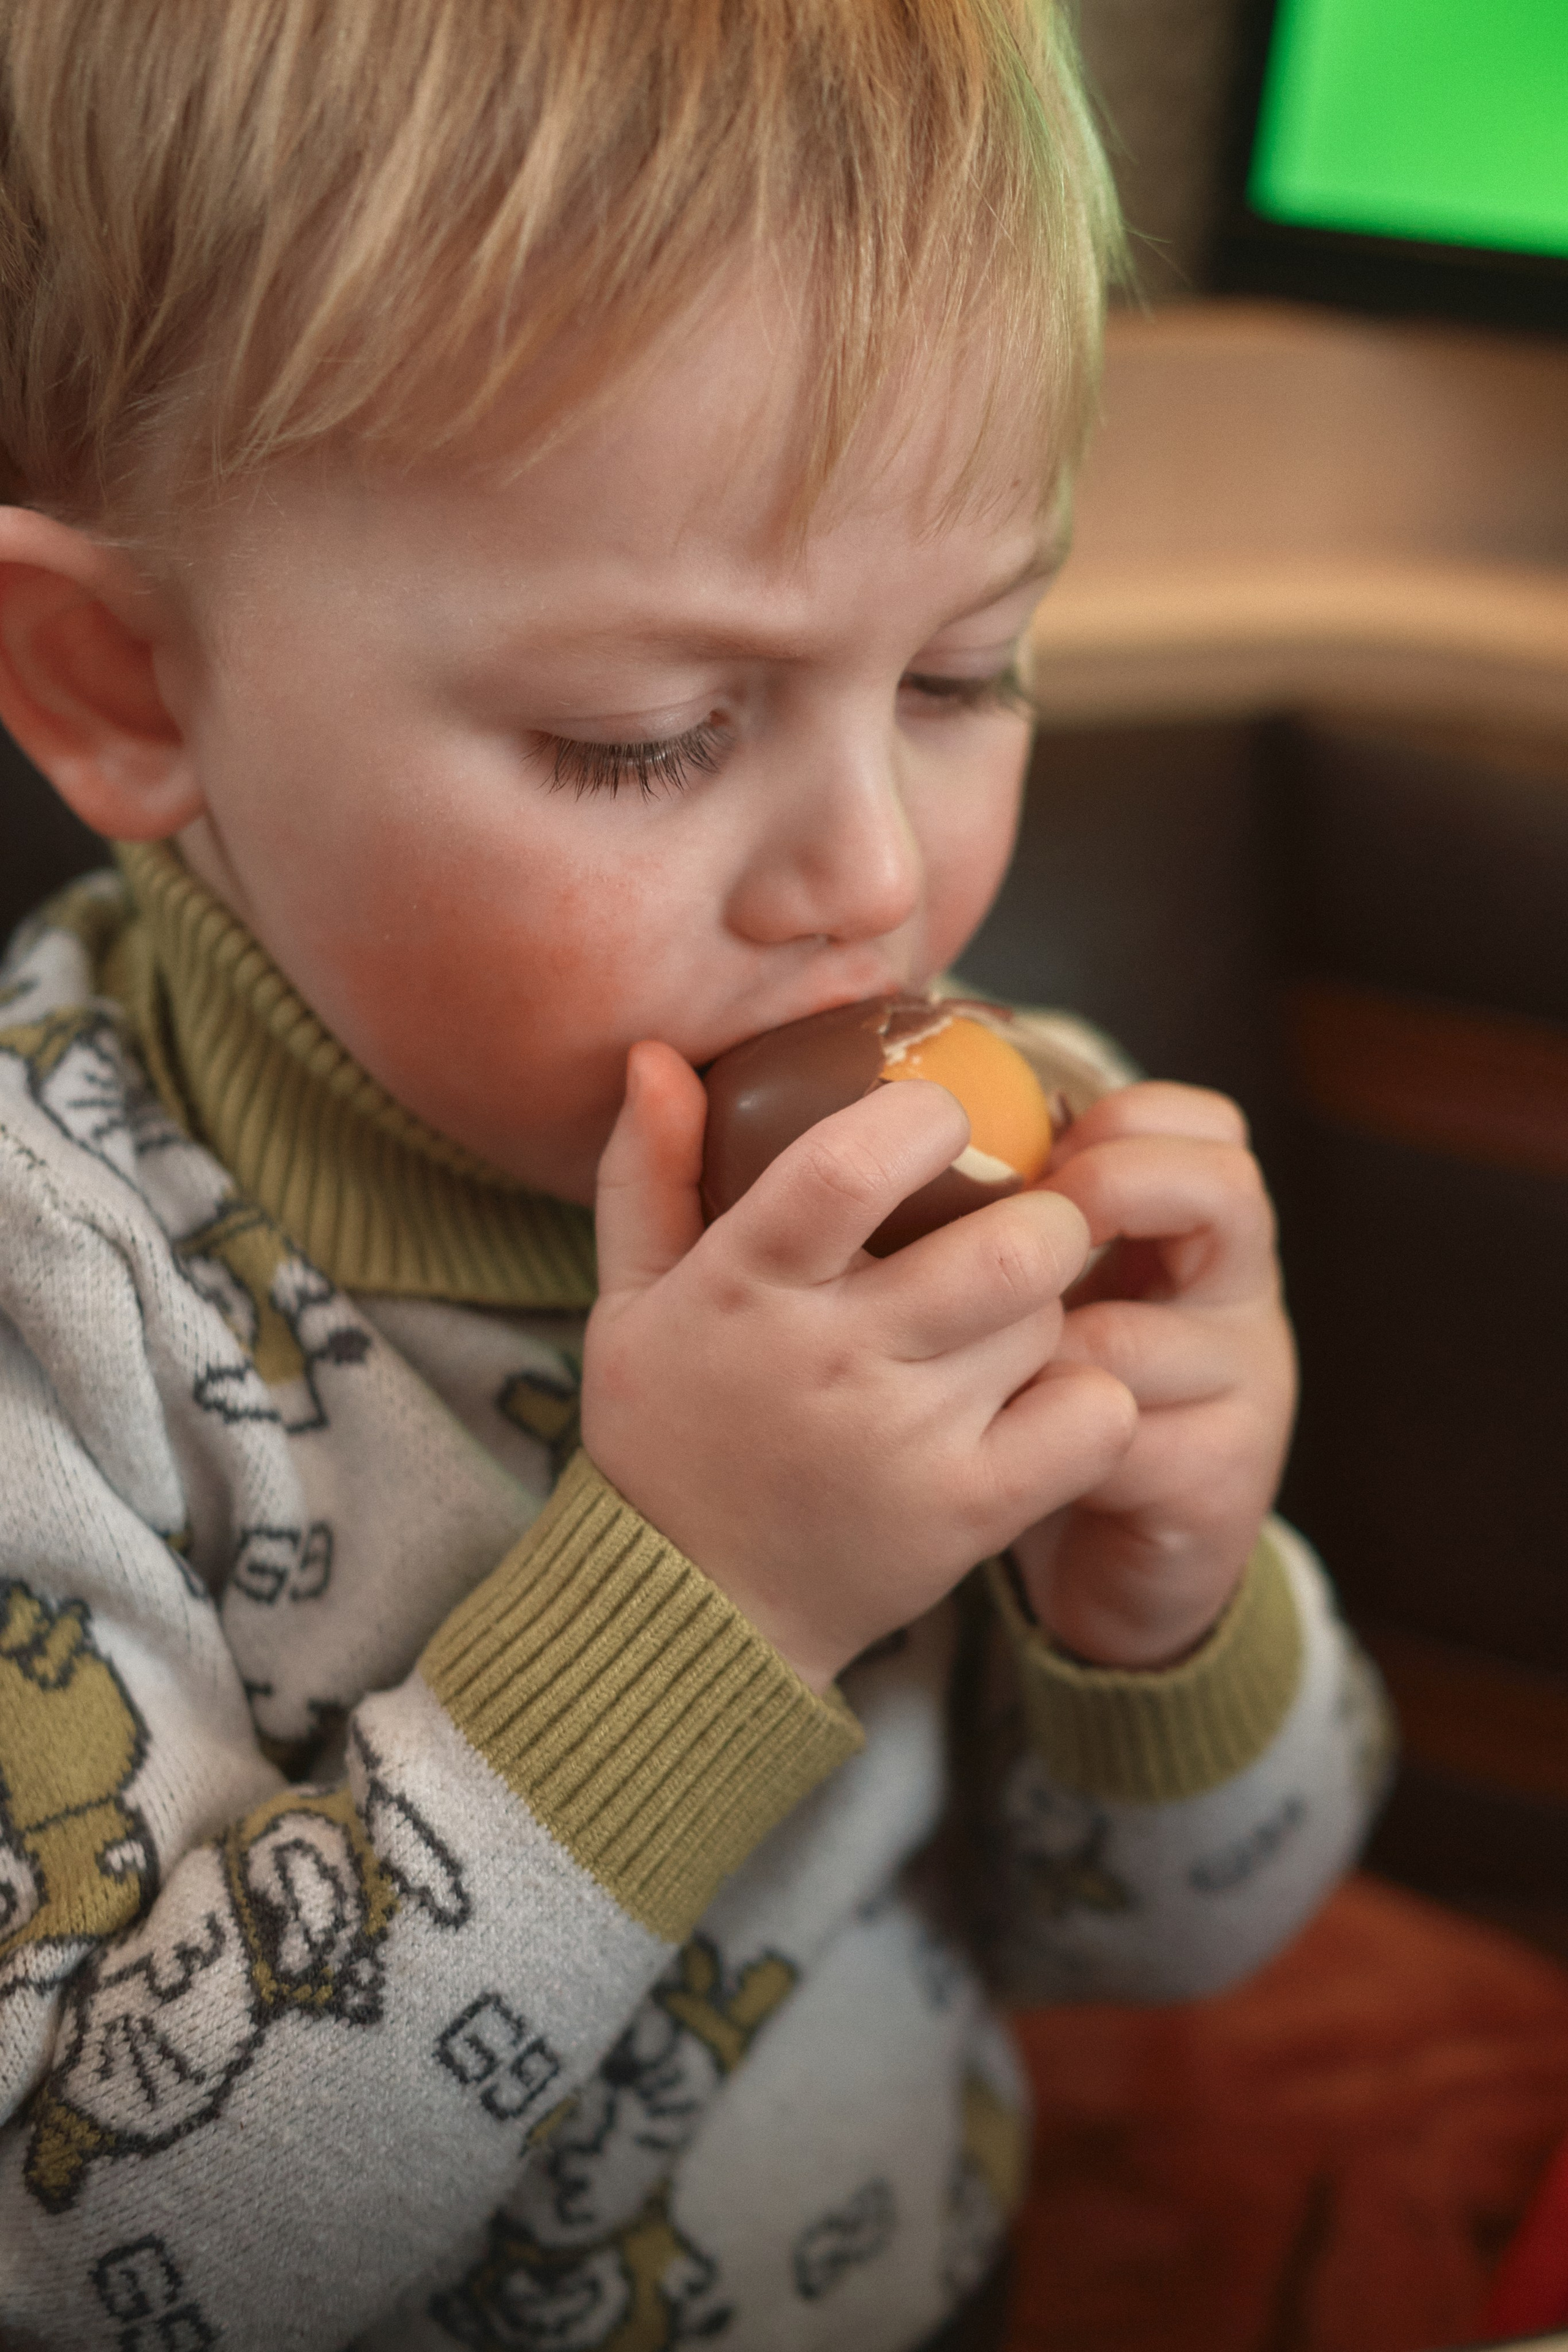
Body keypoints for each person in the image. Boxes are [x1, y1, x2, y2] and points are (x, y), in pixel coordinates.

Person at [0, 6, 1388, 2345]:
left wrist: (1162, 1604)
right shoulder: (60, 1291)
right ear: (128, 685)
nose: (874, 881)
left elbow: (1166, 1944)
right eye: (644, 737)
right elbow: (88, 2263)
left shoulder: (1000, 1144)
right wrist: (701, 1602)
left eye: (964, 675)